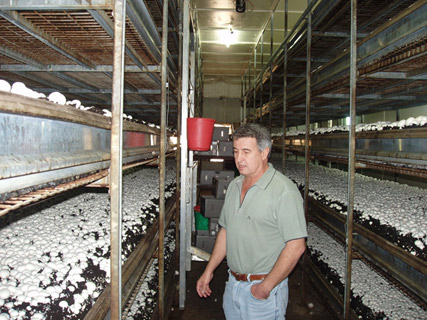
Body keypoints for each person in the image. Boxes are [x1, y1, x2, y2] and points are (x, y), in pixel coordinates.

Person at [196, 123, 307, 320]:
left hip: (262, 293)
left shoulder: (284, 192)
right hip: (233, 286)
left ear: (265, 152)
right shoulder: (234, 186)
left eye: (246, 152)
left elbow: (296, 246)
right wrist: (209, 271)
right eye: (236, 151)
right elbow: (226, 231)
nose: (239, 158)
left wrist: (265, 287)